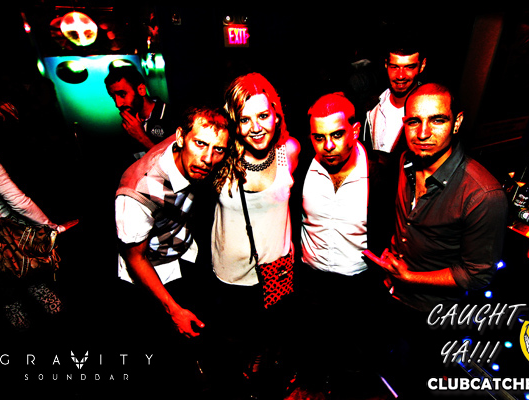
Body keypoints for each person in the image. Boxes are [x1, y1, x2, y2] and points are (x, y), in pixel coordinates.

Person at [364, 83, 508, 396]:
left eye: (437, 120)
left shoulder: (483, 195)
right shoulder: (405, 161)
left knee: (419, 381)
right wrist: (393, 251)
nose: (423, 132)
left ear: (457, 122)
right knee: (384, 371)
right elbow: (407, 220)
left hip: (434, 314)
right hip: (391, 295)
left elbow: (478, 275)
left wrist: (410, 276)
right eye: (414, 121)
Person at [291, 92, 393, 397]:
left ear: (355, 129)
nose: (328, 146)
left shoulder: (380, 173)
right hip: (311, 282)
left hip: (358, 286)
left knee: (353, 366)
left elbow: (394, 223)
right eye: (318, 137)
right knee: (311, 354)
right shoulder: (301, 167)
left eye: (336, 135)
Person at [210, 72, 300, 398]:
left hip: (277, 270)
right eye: (245, 119)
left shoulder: (289, 151)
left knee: (273, 339)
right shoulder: (220, 158)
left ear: (276, 113)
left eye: (263, 115)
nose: (256, 127)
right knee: (238, 346)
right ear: (234, 121)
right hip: (231, 275)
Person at [115, 106, 231, 342]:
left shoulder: (190, 146)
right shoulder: (136, 193)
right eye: (200, 144)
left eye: (218, 149)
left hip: (184, 252)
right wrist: (173, 310)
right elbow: (135, 258)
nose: (208, 159)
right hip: (154, 272)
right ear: (180, 137)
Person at [0, 158, 74, 332]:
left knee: (9, 300)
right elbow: (19, 202)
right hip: (11, 239)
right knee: (37, 284)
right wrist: (53, 228)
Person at [362, 41, 426, 165]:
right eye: (394, 67)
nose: (400, 76)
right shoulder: (372, 106)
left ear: (422, 66)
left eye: (409, 67)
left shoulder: (428, 113)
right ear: (386, 64)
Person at [105, 65, 174, 159]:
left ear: (141, 90)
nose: (118, 104)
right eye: (113, 97)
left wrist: (142, 138)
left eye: (122, 94)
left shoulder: (174, 116)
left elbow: (177, 163)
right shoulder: (129, 126)